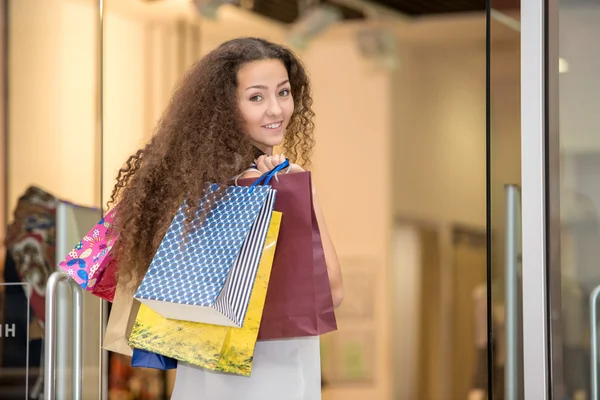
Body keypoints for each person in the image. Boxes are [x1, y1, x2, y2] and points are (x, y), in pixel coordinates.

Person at [108, 37, 344, 399]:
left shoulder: (188, 189)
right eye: (256, 97)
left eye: (283, 92)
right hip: (272, 376)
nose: (276, 110)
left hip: (200, 377)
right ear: (225, 108)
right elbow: (330, 289)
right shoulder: (284, 183)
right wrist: (300, 189)